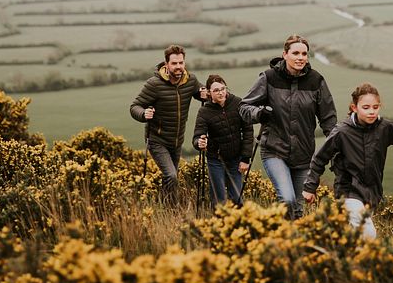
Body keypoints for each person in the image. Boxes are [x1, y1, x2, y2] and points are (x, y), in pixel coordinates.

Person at [302, 81, 393, 240]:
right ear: (354, 107)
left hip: (373, 191)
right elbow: (320, 158)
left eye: (375, 107)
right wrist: (310, 187)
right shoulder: (342, 132)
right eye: (366, 107)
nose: (371, 112)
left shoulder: (384, 127)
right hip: (348, 191)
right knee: (368, 234)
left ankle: (342, 254)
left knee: (355, 235)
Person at [239, 35, 337, 218]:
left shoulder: (316, 81)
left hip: (304, 153)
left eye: (304, 53)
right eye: (296, 53)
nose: (300, 57)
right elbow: (244, 108)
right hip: (274, 150)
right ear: (285, 54)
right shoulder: (268, 78)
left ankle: (291, 244)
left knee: (298, 209)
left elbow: (329, 119)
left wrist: (336, 149)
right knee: (287, 199)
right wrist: (259, 113)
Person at [130, 44, 207, 203]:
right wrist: (144, 114)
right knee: (171, 175)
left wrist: (204, 94)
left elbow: (200, 93)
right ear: (166, 64)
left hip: (177, 141)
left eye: (181, 63)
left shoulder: (190, 80)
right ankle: (172, 207)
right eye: (174, 63)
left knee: (171, 178)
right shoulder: (154, 84)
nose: (178, 66)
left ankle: (163, 208)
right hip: (157, 140)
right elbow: (134, 107)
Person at [192, 74, 254, 206]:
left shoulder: (237, 103)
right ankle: (219, 224)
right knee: (219, 199)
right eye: (216, 90)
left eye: (223, 89)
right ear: (209, 93)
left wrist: (245, 158)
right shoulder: (204, 111)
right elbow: (198, 135)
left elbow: (248, 130)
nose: (220, 93)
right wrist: (200, 143)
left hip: (235, 158)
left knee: (237, 198)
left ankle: (238, 225)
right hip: (215, 159)